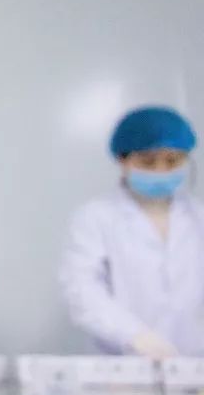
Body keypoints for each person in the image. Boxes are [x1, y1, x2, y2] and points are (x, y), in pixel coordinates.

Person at [60, 106, 204, 358]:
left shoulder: (198, 216)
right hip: (122, 361)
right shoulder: (95, 218)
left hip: (195, 361)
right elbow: (82, 289)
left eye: (172, 161)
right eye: (148, 161)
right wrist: (134, 335)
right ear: (123, 160)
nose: (161, 171)